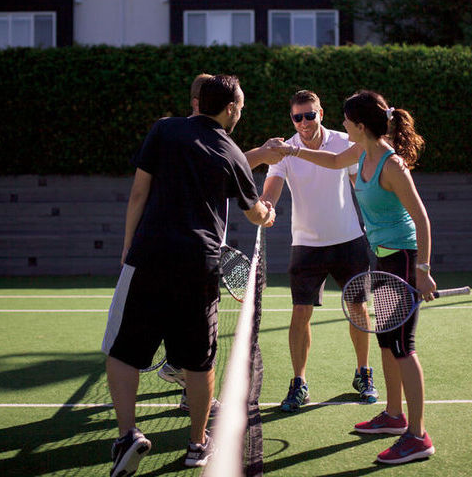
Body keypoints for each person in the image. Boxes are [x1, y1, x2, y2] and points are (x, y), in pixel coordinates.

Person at [102, 74, 276, 476]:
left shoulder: (164, 129)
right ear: (230, 107)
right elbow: (256, 212)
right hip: (199, 265)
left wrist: (129, 245)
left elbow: (138, 193)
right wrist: (268, 214)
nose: (241, 112)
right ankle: (198, 445)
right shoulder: (231, 151)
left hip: (149, 256)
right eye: (241, 106)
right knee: (199, 364)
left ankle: (127, 435)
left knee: (123, 352)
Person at [272, 90, 438, 464]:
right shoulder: (359, 152)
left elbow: (422, 219)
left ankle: (418, 435)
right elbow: (330, 162)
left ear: (360, 126)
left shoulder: (392, 166)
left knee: (402, 348)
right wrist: (293, 151)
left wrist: (424, 271)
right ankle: (393, 417)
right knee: (385, 341)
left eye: (346, 120)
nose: (341, 125)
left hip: (403, 259)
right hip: (380, 257)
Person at [157, 73, 281, 415]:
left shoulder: (173, 135)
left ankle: (183, 378)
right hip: (195, 255)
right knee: (199, 339)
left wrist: (262, 153)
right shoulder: (185, 136)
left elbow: (230, 167)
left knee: (187, 330)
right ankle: (195, 424)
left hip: (176, 250)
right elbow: (230, 165)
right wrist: (264, 213)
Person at [260, 90, 376, 413]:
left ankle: (363, 373)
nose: (304, 122)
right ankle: (299, 383)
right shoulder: (284, 151)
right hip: (306, 245)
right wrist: (266, 208)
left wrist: (377, 223)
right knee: (300, 315)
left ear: (320, 114)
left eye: (309, 115)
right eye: (298, 117)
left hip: (349, 241)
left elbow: (359, 185)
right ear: (292, 119)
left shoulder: (343, 142)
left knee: (358, 309)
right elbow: (270, 191)